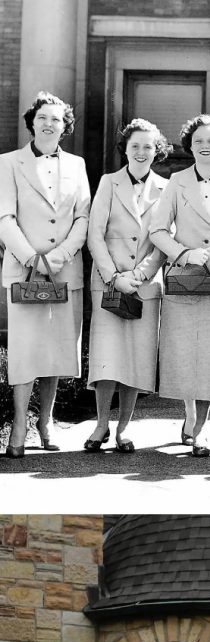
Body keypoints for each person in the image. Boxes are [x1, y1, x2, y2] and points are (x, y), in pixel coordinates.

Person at [150, 114, 210, 456]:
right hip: (184, 282)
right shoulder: (176, 182)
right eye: (199, 141)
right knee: (182, 356)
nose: (206, 146)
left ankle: (201, 430)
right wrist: (184, 253)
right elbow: (157, 231)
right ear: (190, 147)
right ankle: (189, 415)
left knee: (208, 359)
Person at [0, 91, 90, 458]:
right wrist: (31, 258)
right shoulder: (8, 163)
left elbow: (83, 216)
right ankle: (19, 425)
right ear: (32, 123)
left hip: (64, 270)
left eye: (56, 119)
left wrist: (61, 255)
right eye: (42, 118)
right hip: (25, 271)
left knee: (55, 350)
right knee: (25, 351)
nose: (49, 124)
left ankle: (46, 421)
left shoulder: (78, 164)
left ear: (65, 126)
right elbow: (4, 217)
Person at [85, 119, 170, 453]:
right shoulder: (109, 182)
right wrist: (114, 276)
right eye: (135, 145)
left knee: (136, 359)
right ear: (126, 148)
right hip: (109, 285)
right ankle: (101, 424)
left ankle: (124, 429)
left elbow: (164, 239)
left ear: (157, 151)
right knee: (107, 358)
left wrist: (140, 276)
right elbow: (94, 233)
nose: (141, 152)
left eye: (148, 146)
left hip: (144, 287)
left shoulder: (167, 188)